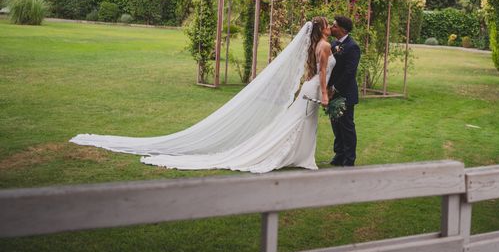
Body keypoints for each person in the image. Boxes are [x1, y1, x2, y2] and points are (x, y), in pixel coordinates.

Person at [70, 17, 335, 173]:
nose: (330, 27)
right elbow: (322, 72)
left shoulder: (320, 44)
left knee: (302, 124)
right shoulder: (324, 46)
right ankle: (290, 156)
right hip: (314, 89)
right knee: (298, 123)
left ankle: (300, 157)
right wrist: (324, 93)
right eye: (327, 25)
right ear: (321, 29)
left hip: (309, 88)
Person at [327, 15, 361, 167]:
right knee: (336, 125)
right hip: (332, 92)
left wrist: (335, 88)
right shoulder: (333, 43)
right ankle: (339, 154)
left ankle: (349, 159)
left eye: (334, 26)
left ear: (343, 29)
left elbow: (349, 72)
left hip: (345, 93)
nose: (331, 28)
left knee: (346, 127)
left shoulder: (353, 46)